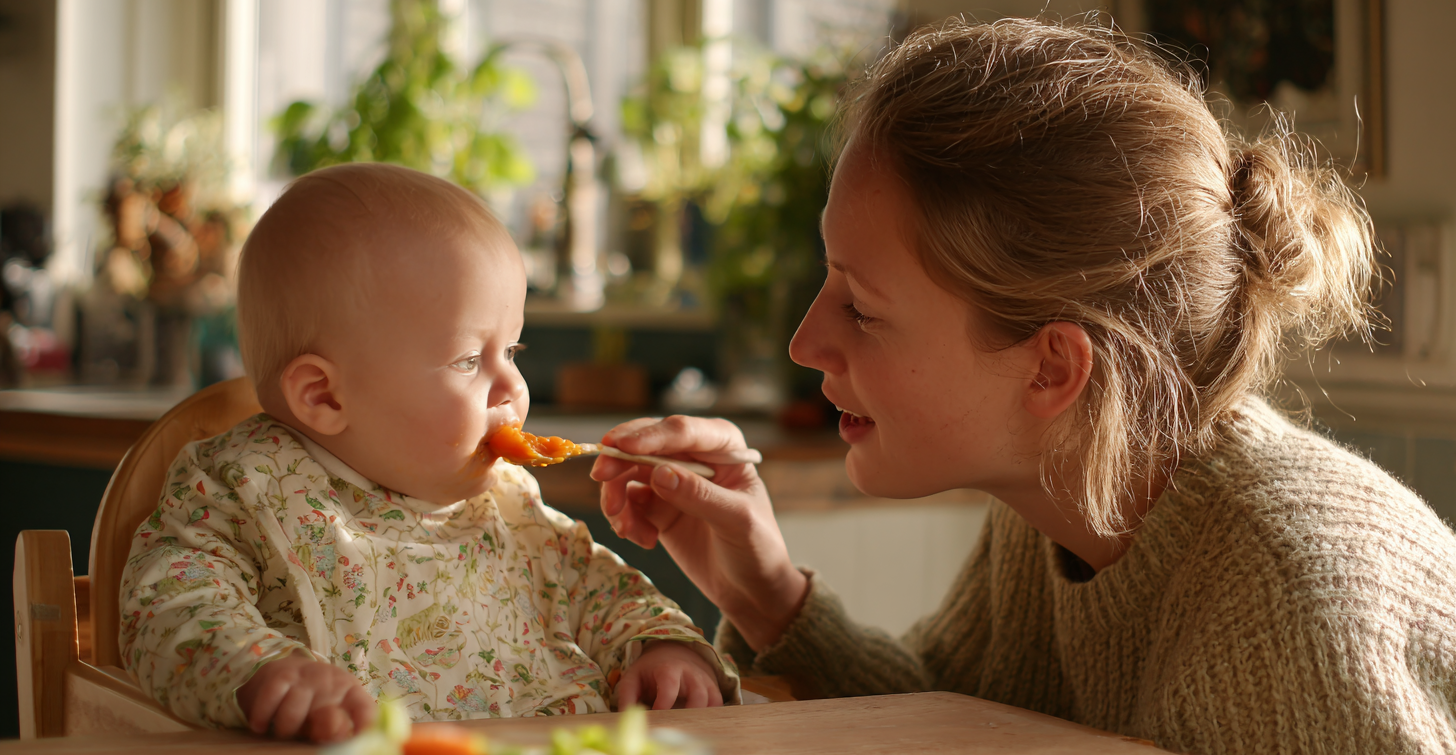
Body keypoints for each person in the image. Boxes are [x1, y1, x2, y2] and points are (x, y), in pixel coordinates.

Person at [591, 17, 1456, 755]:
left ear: (1051, 368)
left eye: (861, 308)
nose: (805, 341)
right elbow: (954, 713)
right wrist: (767, 595)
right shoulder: (1059, 489)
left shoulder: (1287, 609)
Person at [120, 164, 738, 744]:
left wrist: (664, 648)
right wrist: (261, 674)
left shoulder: (512, 510)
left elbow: (610, 593)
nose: (513, 389)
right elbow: (172, 610)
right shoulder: (242, 489)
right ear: (324, 395)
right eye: (470, 360)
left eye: (513, 353)